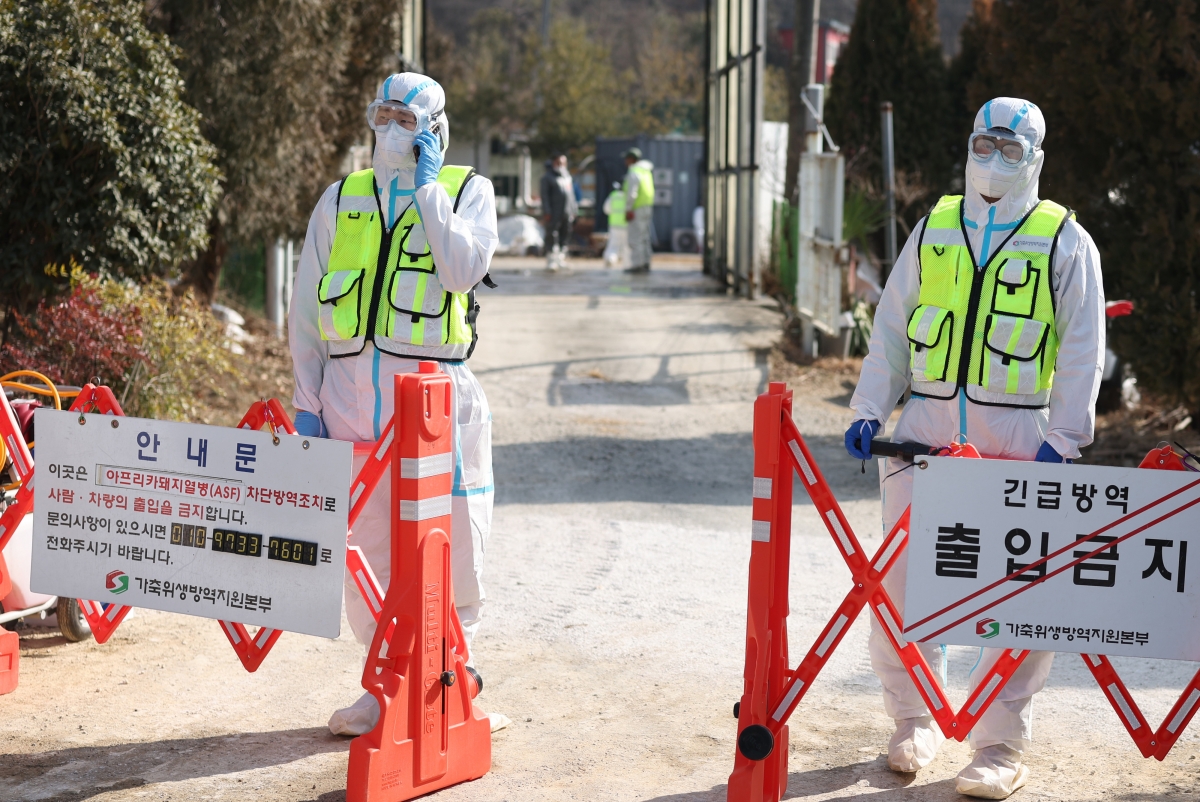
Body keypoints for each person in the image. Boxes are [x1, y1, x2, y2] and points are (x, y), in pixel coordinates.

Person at [844, 98, 1104, 799]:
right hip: (923, 430)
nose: (994, 160)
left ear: (1036, 160)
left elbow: (1084, 349)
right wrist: (871, 407)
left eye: (1011, 149)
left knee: (1017, 595)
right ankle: (913, 720)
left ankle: (998, 745)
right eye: (984, 143)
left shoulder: (1063, 240)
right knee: (902, 584)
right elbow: (893, 326)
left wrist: (1064, 439)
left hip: (1018, 434)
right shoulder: (934, 228)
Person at [288, 72, 500, 737]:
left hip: (436, 403)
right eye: (383, 113)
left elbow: (463, 270)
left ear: (436, 130)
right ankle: (384, 688)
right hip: (351, 404)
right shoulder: (340, 198)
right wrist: (306, 399)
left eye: (408, 119)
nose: (390, 128)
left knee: (448, 546)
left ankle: (450, 672)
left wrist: (429, 190)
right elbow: (304, 307)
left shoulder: (468, 191)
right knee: (363, 550)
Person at [540, 154, 576, 271]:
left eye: (563, 163)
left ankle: (560, 258)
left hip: (566, 212)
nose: (561, 166)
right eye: (559, 163)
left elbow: (571, 196)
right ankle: (551, 259)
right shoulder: (547, 178)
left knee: (565, 234)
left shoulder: (567, 177)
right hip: (554, 212)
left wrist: (574, 209)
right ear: (553, 163)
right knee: (552, 234)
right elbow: (544, 196)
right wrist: (547, 211)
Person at [622, 147, 655, 273]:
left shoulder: (634, 172)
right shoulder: (646, 171)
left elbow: (632, 193)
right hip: (647, 207)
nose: (625, 161)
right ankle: (646, 262)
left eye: (626, 158)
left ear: (631, 159)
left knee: (635, 238)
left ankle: (637, 265)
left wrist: (628, 209)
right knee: (645, 237)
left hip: (636, 208)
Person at [601, 181, 628, 268]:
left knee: (613, 244)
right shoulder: (628, 196)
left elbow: (606, 209)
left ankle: (610, 259)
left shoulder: (613, 196)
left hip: (614, 225)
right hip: (626, 225)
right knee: (625, 245)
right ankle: (625, 262)